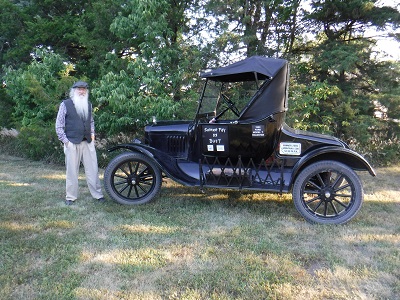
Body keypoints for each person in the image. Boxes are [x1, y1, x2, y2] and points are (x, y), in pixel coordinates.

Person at [55, 81, 105, 205]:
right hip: (71, 142)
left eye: (84, 89)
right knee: (71, 171)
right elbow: (59, 125)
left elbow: (91, 121)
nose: (82, 91)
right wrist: (65, 141)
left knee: (93, 170)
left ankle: (98, 195)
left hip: (87, 142)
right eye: (79, 89)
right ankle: (70, 197)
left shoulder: (88, 105)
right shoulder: (65, 104)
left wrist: (92, 135)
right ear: (74, 90)